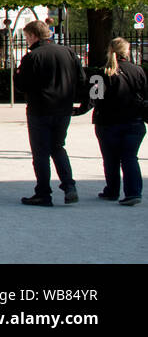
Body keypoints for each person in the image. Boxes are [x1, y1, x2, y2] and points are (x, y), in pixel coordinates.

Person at [14, 19, 87, 205]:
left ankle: (43, 193)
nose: (27, 40)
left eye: (26, 37)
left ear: (33, 35)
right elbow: (81, 79)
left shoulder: (32, 57)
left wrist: (17, 74)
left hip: (40, 109)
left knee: (40, 153)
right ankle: (69, 185)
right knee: (58, 147)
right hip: (63, 109)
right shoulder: (68, 52)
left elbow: (22, 86)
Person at [91, 38, 147, 206]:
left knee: (110, 159)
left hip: (108, 122)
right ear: (127, 51)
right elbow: (145, 95)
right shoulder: (138, 71)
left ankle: (112, 190)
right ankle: (133, 192)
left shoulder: (101, 73)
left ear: (109, 50)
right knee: (130, 158)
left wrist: (77, 111)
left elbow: (94, 98)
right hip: (134, 121)